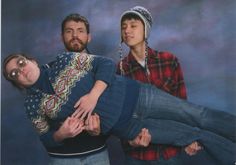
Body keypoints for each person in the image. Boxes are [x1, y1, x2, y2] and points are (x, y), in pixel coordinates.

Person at [3, 52, 236, 165]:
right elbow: (46, 139)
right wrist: (61, 134)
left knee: (199, 116)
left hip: (140, 96)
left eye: (21, 63)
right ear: (16, 83)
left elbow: (104, 64)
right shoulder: (33, 105)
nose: (21, 70)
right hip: (130, 128)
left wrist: (93, 96)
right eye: (14, 73)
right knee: (191, 135)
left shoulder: (63, 60)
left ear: (31, 60)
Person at [117, 6, 201, 164]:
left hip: (169, 153)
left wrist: (189, 137)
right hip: (137, 157)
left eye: (133, 25)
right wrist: (130, 141)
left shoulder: (169, 61)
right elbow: (119, 118)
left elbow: (182, 105)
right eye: (124, 27)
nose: (127, 30)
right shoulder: (119, 70)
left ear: (146, 30)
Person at [46, 13, 111, 165]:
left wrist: (100, 130)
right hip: (62, 158)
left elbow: (115, 111)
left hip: (97, 154)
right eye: (69, 31)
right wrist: (60, 133)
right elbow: (42, 126)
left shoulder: (104, 71)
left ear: (89, 37)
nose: (75, 35)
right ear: (62, 37)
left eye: (80, 31)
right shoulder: (47, 73)